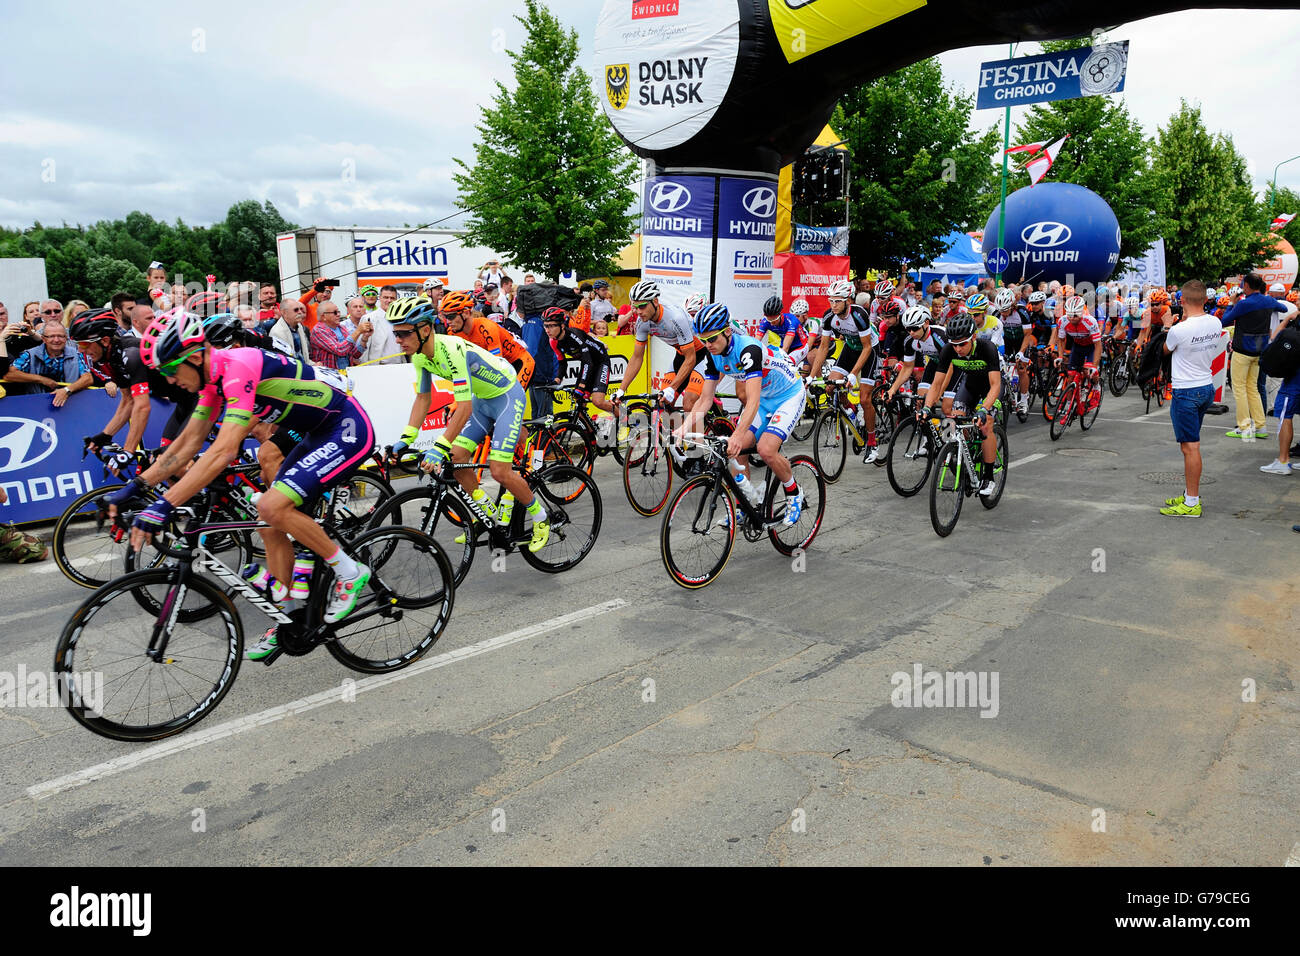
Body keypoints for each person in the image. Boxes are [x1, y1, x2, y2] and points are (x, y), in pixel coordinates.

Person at [107, 309, 379, 660]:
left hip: (345, 426)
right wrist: (136, 487)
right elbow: (187, 444)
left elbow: (222, 451)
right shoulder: (212, 382)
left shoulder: (237, 368)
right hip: (312, 432)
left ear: (194, 356)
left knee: (270, 505)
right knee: (268, 525)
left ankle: (349, 572)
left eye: (173, 371)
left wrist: (163, 507)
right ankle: (288, 620)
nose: (171, 381)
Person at [386, 296, 550, 552]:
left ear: (425, 329)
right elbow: (423, 397)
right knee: (457, 457)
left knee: (499, 471)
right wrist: (407, 437)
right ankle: (487, 514)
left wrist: (438, 445)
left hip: (506, 395)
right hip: (484, 398)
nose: (398, 340)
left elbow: (463, 408)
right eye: (396, 333)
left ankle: (542, 518)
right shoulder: (419, 356)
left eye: (404, 333)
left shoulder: (451, 350)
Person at [684, 302, 808, 526]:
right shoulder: (713, 355)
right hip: (765, 399)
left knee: (766, 450)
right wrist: (682, 429)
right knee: (736, 453)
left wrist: (737, 436)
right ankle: (745, 504)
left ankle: (794, 493)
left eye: (712, 339)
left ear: (728, 331)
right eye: (703, 340)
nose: (708, 344)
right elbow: (705, 399)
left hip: (788, 395)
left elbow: (752, 401)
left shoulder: (749, 350)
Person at [1158, 281, 1223, 516]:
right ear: (1205, 300)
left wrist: (1166, 326)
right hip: (1206, 386)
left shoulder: (1179, 330)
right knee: (1191, 444)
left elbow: (1165, 349)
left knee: (1190, 447)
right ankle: (1189, 494)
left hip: (1186, 391)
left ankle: (1192, 503)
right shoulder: (1215, 322)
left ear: (1182, 301)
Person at [922, 312, 1002, 497]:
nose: (957, 349)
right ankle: (962, 462)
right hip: (971, 385)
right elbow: (936, 384)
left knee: (986, 424)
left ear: (973, 337)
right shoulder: (948, 350)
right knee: (951, 423)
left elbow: (996, 385)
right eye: (954, 344)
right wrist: (927, 407)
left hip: (991, 387)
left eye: (962, 344)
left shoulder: (987, 348)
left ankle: (988, 477)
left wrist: (983, 410)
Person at [612, 279, 707, 420]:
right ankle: (678, 439)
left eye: (642, 306)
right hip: (681, 355)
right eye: (635, 307)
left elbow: (691, 358)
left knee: (688, 404)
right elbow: (637, 358)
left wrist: (672, 388)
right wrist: (621, 390)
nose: (638, 312)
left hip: (701, 355)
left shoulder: (675, 317)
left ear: (655, 302)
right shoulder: (642, 323)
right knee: (662, 405)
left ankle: (698, 441)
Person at [808, 278, 880, 461]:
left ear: (848, 300)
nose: (833, 305)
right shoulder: (829, 316)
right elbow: (823, 348)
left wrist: (854, 374)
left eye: (837, 300)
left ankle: (872, 443)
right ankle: (852, 411)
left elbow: (866, 348)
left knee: (865, 398)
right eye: (831, 300)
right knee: (832, 386)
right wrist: (810, 377)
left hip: (869, 350)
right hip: (850, 348)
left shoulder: (859, 316)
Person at [1221, 273, 1295, 442]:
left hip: (1242, 351)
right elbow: (1283, 308)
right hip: (1259, 350)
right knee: (1253, 388)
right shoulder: (1268, 300)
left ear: (1246, 285)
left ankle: (1244, 427)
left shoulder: (1244, 304)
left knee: (1239, 389)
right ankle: (1260, 426)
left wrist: (1232, 304)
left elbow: (1225, 320)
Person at [439, 291, 535, 388]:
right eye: (445, 317)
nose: (448, 321)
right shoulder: (452, 332)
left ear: (466, 313)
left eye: (451, 316)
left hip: (520, 362)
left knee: (511, 396)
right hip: (501, 365)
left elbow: (497, 366)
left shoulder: (486, 327)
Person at [543, 306, 614, 422]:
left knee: (598, 401)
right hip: (587, 365)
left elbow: (588, 362)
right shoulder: (553, 342)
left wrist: (582, 385)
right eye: (545, 325)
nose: (547, 330)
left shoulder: (575, 335)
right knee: (579, 404)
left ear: (561, 326)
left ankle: (624, 417)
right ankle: (590, 437)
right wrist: (557, 380)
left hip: (600, 362)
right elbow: (562, 363)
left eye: (551, 326)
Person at [4, 320, 92, 404]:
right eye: (51, 336)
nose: (56, 340)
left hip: (69, 403)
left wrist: (67, 390)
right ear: (43, 339)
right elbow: (9, 374)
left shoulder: (76, 353)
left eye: (61, 336)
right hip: (36, 405)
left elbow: (88, 378)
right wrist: (41, 379)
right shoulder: (31, 354)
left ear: (66, 338)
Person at [309, 300, 367, 369]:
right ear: (323, 316)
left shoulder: (342, 328)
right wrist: (358, 331)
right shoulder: (319, 330)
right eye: (335, 312)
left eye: (338, 312)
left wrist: (365, 338)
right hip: (329, 376)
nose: (338, 314)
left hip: (346, 374)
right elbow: (339, 350)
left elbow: (355, 354)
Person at [267, 299, 312, 363]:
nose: (300, 312)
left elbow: (303, 355)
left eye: (301, 309)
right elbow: (286, 362)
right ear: (284, 313)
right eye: (296, 310)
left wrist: (313, 364)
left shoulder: (299, 326)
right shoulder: (277, 332)